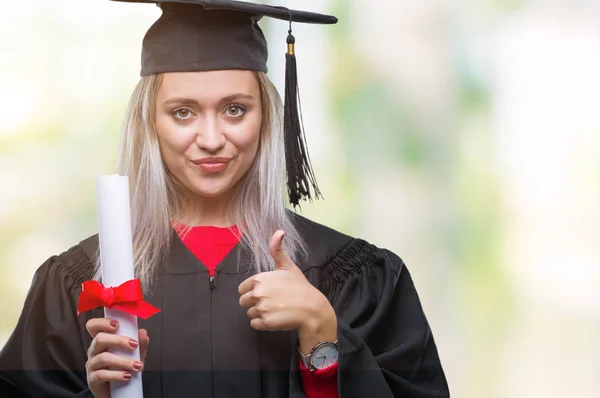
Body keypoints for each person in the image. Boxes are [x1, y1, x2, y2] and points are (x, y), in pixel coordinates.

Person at [0, 1, 450, 397]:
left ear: (267, 117)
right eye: (182, 112)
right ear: (150, 122)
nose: (211, 138)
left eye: (235, 109)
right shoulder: (80, 284)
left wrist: (321, 334)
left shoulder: (352, 277)